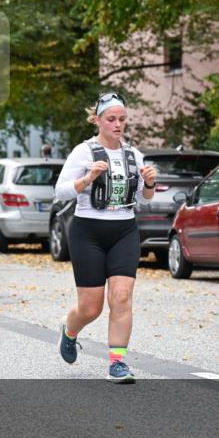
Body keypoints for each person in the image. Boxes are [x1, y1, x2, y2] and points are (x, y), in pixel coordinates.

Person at [53, 92, 157, 384]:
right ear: (97, 120)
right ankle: (70, 331)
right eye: (111, 119)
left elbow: (145, 199)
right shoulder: (83, 152)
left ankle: (117, 363)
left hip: (124, 230)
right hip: (88, 231)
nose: (118, 124)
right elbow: (60, 191)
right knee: (91, 307)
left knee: (122, 298)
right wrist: (87, 180)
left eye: (122, 119)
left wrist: (150, 183)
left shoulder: (133, 155)